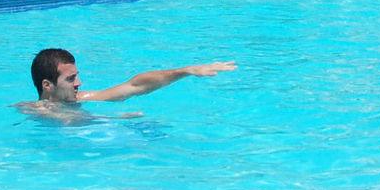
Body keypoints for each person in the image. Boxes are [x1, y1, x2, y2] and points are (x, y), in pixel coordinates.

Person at [22, 47, 235, 116]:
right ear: (47, 85)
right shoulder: (32, 110)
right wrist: (117, 120)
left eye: (76, 75)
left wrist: (186, 71)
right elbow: (65, 122)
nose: (79, 83)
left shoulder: (82, 98)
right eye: (71, 79)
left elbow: (135, 86)